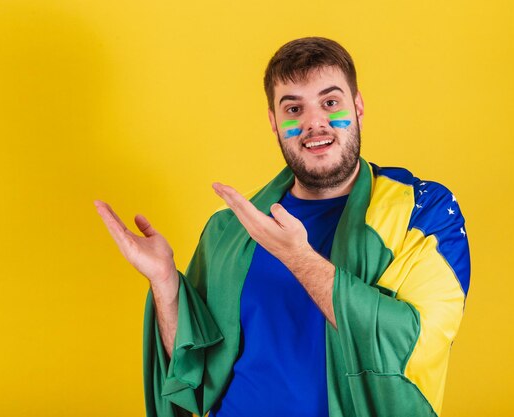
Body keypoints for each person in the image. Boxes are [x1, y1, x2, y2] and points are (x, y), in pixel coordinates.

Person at [95, 37, 470, 417]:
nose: (314, 123)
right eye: (294, 108)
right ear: (274, 122)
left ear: (357, 107)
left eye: (330, 102)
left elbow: (419, 340)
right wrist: (164, 285)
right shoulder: (232, 230)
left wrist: (299, 258)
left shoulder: (423, 213)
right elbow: (194, 371)